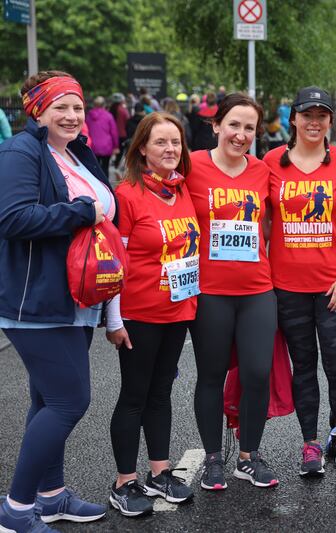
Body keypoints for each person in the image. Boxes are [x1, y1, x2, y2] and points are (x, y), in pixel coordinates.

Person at [0, 71, 112, 532]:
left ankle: (50, 497)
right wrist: (82, 211)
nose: (71, 116)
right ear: (36, 110)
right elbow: (13, 218)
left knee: (47, 400)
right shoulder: (21, 151)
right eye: (60, 107)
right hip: (36, 300)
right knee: (70, 401)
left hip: (76, 297)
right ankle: (16, 509)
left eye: (77, 108)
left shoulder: (76, 154)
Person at [264, 86, 336, 478]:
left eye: (321, 115)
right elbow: (264, 223)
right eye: (307, 115)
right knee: (303, 366)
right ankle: (310, 443)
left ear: (329, 121)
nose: (314, 122)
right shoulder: (272, 163)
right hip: (287, 287)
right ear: (293, 118)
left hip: (335, 288)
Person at [104, 112, 198, 516]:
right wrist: (113, 319)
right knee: (134, 396)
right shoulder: (126, 195)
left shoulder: (183, 190)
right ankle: (124, 481)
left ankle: (160, 471)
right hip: (139, 313)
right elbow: (112, 260)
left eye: (175, 142)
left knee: (161, 393)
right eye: (160, 142)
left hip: (177, 310)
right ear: (141, 148)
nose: (170, 150)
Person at [186, 93, 279, 491]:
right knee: (210, 374)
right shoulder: (192, 166)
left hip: (257, 289)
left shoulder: (262, 171)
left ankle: (248, 456)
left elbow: (274, 222)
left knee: (257, 373)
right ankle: (212, 459)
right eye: (234, 125)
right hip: (210, 291)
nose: (240, 135)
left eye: (249, 128)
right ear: (216, 126)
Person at [85, 96, 119, 178]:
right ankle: (105, 187)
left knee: (94, 168)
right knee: (105, 168)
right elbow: (114, 132)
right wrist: (116, 146)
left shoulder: (88, 116)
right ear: (104, 105)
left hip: (92, 146)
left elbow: (86, 130)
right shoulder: (108, 116)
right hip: (106, 146)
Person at [110, 93, 130, 170]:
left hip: (112, 134)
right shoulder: (123, 110)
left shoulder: (110, 110)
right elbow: (127, 120)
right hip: (122, 134)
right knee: (121, 151)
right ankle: (117, 165)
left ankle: (115, 164)